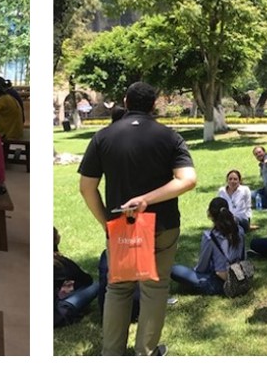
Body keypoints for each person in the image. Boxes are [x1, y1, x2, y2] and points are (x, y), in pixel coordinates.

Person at [77, 81, 195, 355]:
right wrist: (147, 200)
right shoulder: (170, 137)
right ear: (153, 105)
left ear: (126, 102)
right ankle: (145, 353)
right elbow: (188, 180)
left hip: (122, 225)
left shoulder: (103, 137)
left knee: (118, 289)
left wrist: (106, 221)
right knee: (155, 288)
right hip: (163, 225)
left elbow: (86, 188)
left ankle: (112, 353)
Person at [170, 197, 246, 296]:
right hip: (240, 275)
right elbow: (244, 257)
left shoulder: (210, 237)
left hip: (221, 283)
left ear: (210, 214)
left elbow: (202, 268)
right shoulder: (240, 230)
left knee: (175, 269)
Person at [52, 229, 101, 327]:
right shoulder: (60, 263)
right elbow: (86, 280)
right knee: (96, 285)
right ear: (57, 239)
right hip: (57, 314)